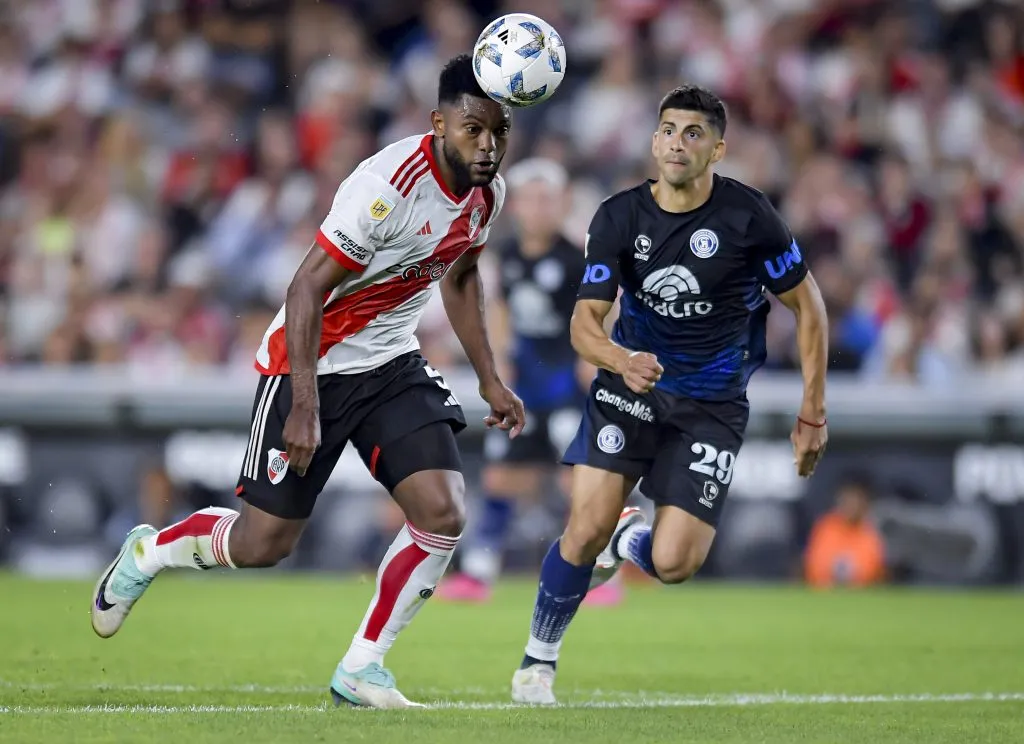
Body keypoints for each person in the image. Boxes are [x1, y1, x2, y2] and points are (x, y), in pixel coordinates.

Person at [90, 54, 526, 710]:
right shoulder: (387, 186)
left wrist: (491, 379)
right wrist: (303, 403)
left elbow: (461, 277)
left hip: (389, 363)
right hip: (311, 364)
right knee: (264, 543)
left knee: (443, 512)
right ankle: (151, 552)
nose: (488, 147)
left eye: (499, 132)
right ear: (439, 123)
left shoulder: (488, 195)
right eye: (473, 130)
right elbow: (306, 286)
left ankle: (362, 667)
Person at [509, 84, 830, 705]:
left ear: (718, 148)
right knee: (582, 527)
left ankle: (630, 540)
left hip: (711, 404)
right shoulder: (618, 217)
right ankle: (536, 665)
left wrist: (812, 410)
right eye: (667, 130)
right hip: (631, 389)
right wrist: (620, 360)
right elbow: (584, 324)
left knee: (676, 563)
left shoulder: (749, 216)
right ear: (653, 140)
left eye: (693, 133)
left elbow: (808, 306)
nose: (676, 143)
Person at [438, 157, 622, 604]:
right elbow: (499, 310)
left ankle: (596, 575)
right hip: (525, 387)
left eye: (547, 199)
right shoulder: (507, 255)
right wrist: (499, 361)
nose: (538, 208)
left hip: (568, 385)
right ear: (515, 206)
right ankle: (478, 576)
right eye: (530, 199)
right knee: (502, 479)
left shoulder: (576, 255)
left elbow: (610, 302)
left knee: (575, 480)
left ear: (561, 204)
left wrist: (595, 353)